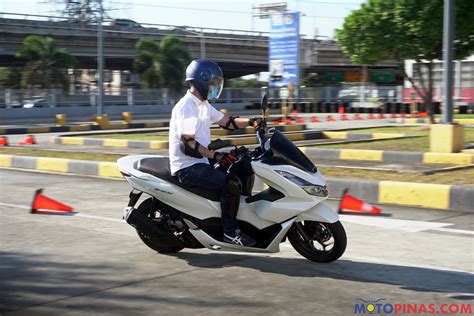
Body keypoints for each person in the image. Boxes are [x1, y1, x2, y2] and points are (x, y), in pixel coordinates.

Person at [169, 59, 261, 247]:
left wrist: (252, 121)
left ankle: (241, 217)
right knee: (231, 183)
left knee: (243, 165)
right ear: (201, 81)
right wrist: (215, 156)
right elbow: (188, 144)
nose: (215, 88)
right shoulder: (187, 106)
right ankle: (230, 232)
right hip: (187, 166)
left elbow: (228, 122)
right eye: (213, 84)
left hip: (202, 160)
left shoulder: (203, 104)